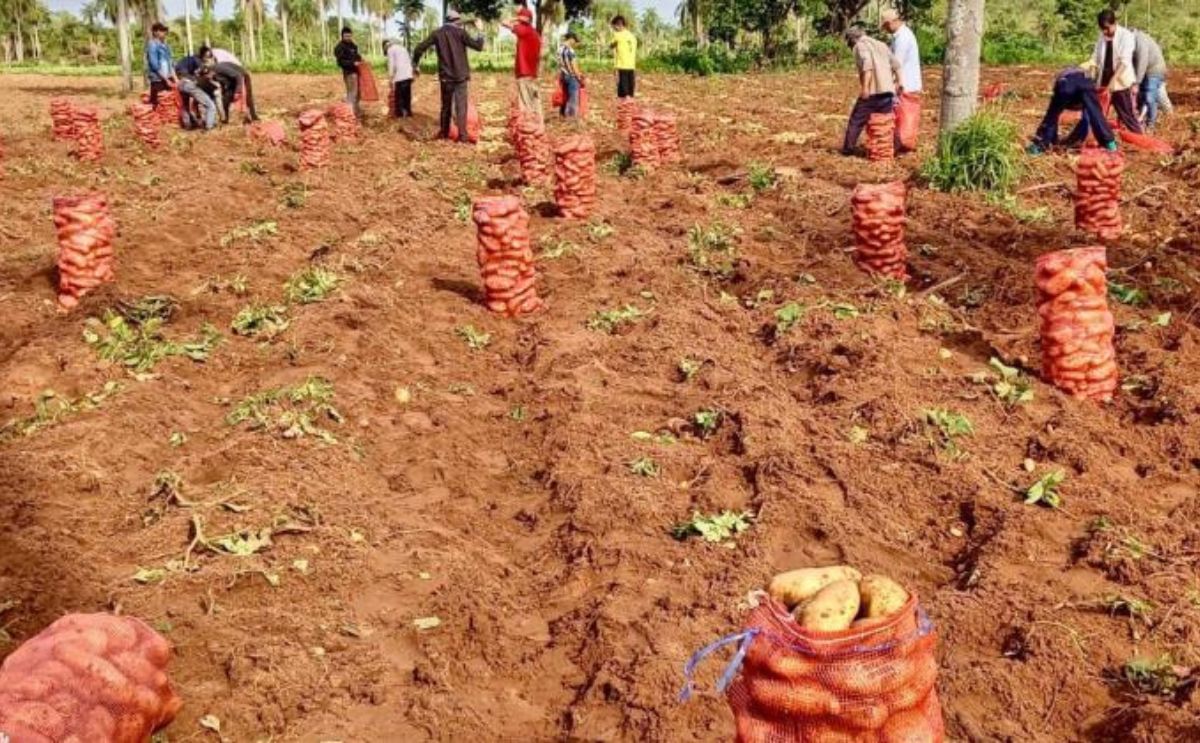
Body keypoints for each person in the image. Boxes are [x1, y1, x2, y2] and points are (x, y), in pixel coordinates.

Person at [413, 10, 486, 143]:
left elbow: (419, 48)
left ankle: (444, 133)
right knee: (461, 106)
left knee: (446, 106)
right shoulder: (461, 32)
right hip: (461, 76)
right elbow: (478, 46)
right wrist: (480, 31)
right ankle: (462, 136)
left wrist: (415, 64)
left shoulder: (437, 33)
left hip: (446, 77)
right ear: (456, 21)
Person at [840, 26, 902, 156]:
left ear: (852, 40)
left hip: (873, 91)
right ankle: (892, 148)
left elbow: (867, 66)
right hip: (887, 90)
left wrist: (865, 88)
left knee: (856, 120)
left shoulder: (860, 46)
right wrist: (899, 82)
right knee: (885, 121)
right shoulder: (881, 44)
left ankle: (848, 149)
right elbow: (896, 65)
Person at [1027, 66, 1117, 154]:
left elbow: (1054, 116)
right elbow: (1087, 118)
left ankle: (1039, 145)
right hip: (1087, 84)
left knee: (1052, 114)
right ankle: (1109, 143)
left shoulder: (1061, 79)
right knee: (1095, 113)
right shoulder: (1084, 75)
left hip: (1066, 84)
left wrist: (1053, 138)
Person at [1091, 10, 1141, 133]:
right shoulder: (1101, 37)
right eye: (1102, 29)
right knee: (1097, 114)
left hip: (1120, 83)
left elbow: (1124, 62)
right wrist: (1090, 72)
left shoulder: (1126, 36)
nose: (1105, 32)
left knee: (1127, 115)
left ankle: (1139, 137)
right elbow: (1095, 58)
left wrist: (1113, 81)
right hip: (1103, 82)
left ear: (1115, 23)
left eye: (1107, 28)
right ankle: (1094, 138)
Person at [501, 7, 542, 120]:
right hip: (532, 72)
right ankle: (538, 123)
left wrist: (516, 18)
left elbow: (504, 22)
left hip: (524, 72)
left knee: (525, 102)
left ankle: (529, 123)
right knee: (534, 100)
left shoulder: (523, 30)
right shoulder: (534, 33)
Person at [200, 48, 258, 124]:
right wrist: (225, 92)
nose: (208, 78)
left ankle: (253, 117)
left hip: (242, 76)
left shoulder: (218, 68)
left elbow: (238, 76)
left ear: (209, 72)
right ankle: (225, 119)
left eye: (207, 75)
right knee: (225, 99)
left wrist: (237, 91)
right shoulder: (212, 76)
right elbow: (224, 83)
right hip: (232, 80)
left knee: (246, 97)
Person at [1131, 28, 1166, 129]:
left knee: (1149, 96)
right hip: (1144, 71)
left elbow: (1142, 62)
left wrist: (1137, 83)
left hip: (1154, 69)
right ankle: (1141, 121)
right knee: (1141, 97)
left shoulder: (1140, 40)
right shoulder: (1130, 42)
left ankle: (1151, 124)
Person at [175, 48, 217, 130]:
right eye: (207, 56)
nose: (207, 58)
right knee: (210, 105)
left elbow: (178, 69)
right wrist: (209, 72)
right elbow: (202, 75)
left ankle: (187, 125)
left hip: (181, 84)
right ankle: (209, 127)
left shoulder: (188, 59)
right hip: (189, 84)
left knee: (185, 106)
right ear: (202, 55)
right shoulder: (198, 61)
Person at [881, 10, 920, 97]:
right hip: (904, 85)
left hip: (906, 86)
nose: (886, 29)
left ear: (889, 23)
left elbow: (896, 63)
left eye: (885, 26)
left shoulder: (903, 37)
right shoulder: (899, 36)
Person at [334, 26, 364, 120]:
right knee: (352, 93)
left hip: (356, 72)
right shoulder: (339, 47)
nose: (348, 38)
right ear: (342, 36)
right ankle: (349, 115)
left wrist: (361, 59)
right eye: (346, 36)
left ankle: (356, 111)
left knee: (358, 93)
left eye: (349, 36)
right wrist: (352, 63)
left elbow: (357, 56)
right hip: (349, 73)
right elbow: (340, 62)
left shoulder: (353, 45)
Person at [144, 22, 176, 108]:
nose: (164, 32)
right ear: (155, 32)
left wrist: (175, 79)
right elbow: (154, 65)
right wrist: (166, 80)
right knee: (158, 105)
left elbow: (171, 63)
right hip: (158, 79)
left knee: (170, 104)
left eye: (164, 30)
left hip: (168, 78)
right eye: (161, 30)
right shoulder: (152, 45)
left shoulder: (166, 46)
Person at [385, 39, 414, 118]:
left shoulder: (390, 49)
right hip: (408, 75)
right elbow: (409, 61)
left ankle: (400, 114)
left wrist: (390, 78)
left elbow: (391, 64)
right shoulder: (403, 49)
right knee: (407, 95)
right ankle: (408, 112)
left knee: (399, 96)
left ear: (387, 46)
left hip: (400, 76)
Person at [610, 15, 637, 99]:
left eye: (614, 26)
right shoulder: (632, 36)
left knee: (623, 86)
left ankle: (625, 100)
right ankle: (630, 100)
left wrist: (612, 45)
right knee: (630, 84)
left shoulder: (617, 35)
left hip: (622, 64)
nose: (614, 28)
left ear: (619, 25)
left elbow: (611, 45)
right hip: (631, 65)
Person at [558, 32, 583, 118]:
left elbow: (560, 63)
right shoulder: (570, 50)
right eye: (575, 41)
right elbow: (574, 65)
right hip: (571, 76)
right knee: (573, 97)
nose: (575, 43)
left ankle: (562, 114)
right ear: (571, 39)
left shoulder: (560, 49)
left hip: (563, 75)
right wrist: (579, 76)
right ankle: (571, 117)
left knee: (565, 95)